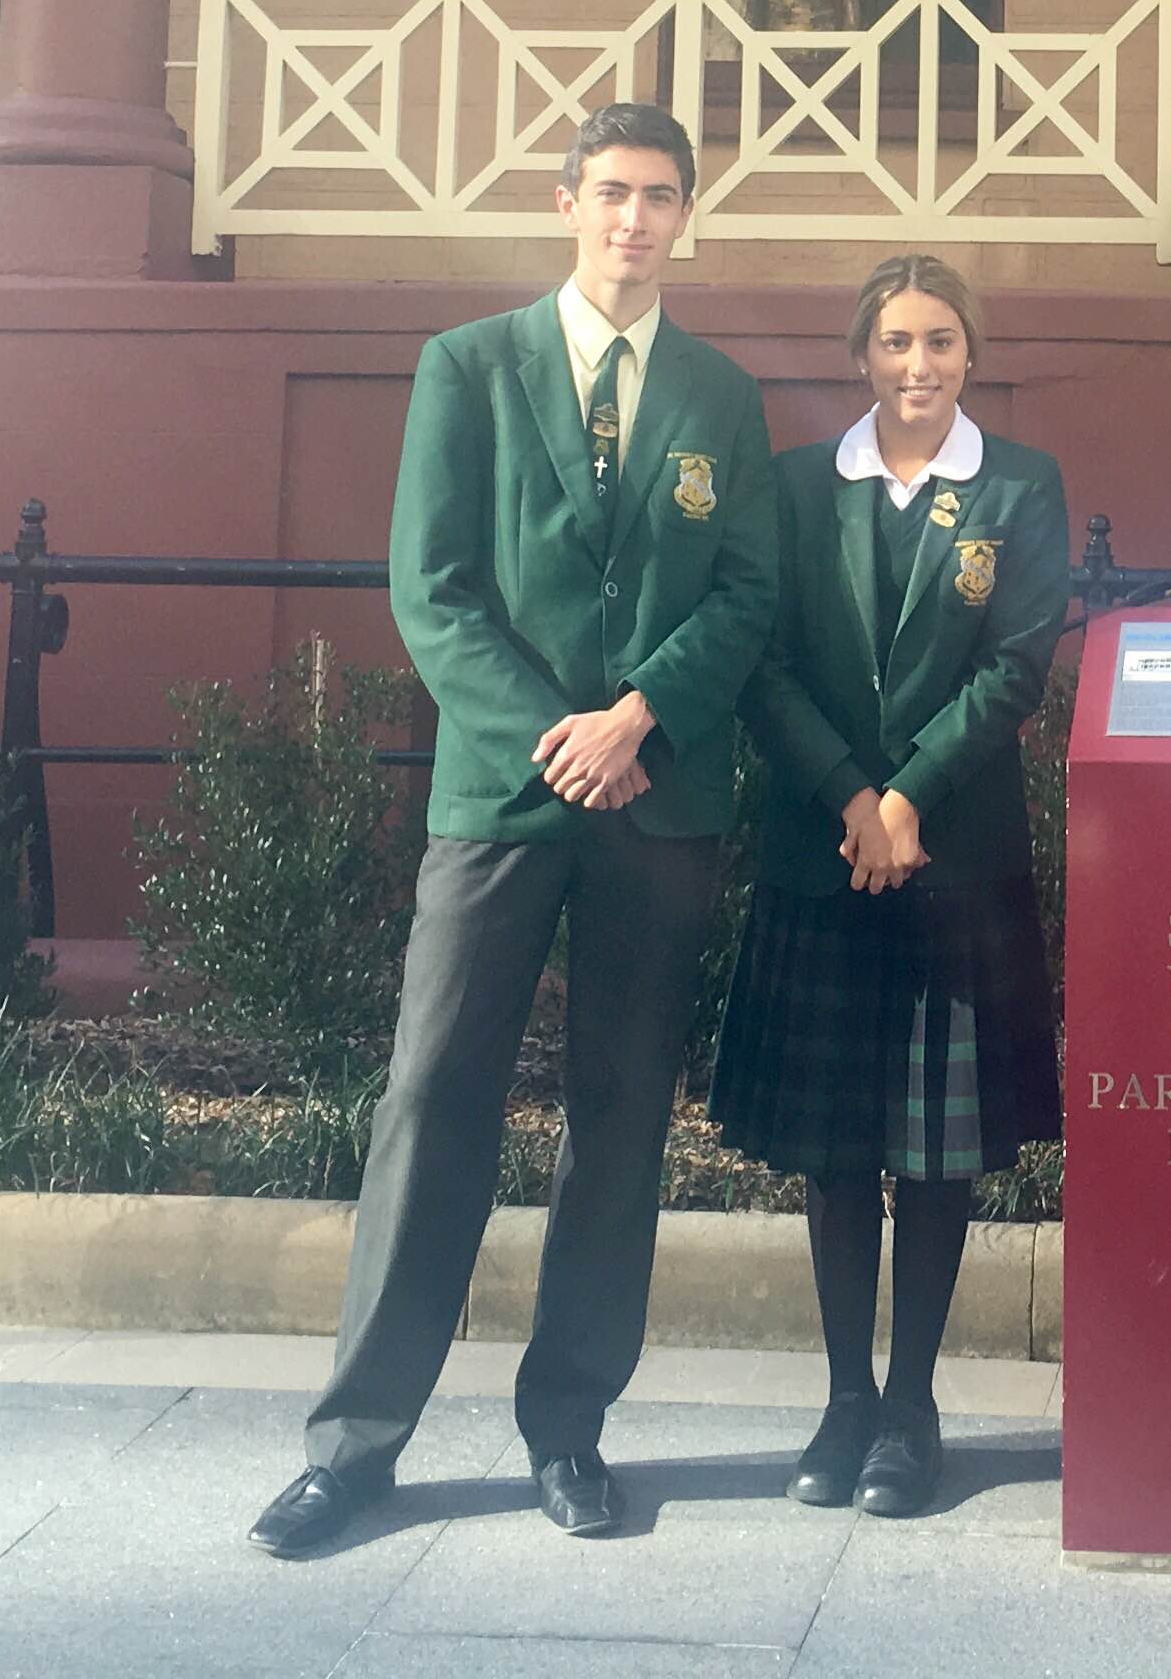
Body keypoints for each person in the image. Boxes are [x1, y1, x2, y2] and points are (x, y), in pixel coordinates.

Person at [251, 101, 780, 1557]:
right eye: (611, 192)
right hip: (501, 795)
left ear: (685, 217)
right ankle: (355, 1448)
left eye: (659, 196)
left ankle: (569, 1433)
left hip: (657, 799)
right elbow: (433, 590)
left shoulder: (722, 397)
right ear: (567, 204)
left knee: (621, 1115)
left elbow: (747, 592)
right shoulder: (470, 367)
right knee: (432, 1099)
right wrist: (562, 739)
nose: (633, 219)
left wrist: (637, 721)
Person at [706, 252, 1070, 1520]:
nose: (920, 365)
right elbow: (761, 662)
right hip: (826, 855)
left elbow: (1016, 666)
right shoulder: (796, 484)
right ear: (861, 353)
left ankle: (912, 1407)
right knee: (836, 1144)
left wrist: (907, 797)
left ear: (972, 354)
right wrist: (853, 800)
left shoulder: (1019, 486)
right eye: (898, 342)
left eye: (942, 342)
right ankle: (844, 1401)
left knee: (933, 1152)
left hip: (953, 859)